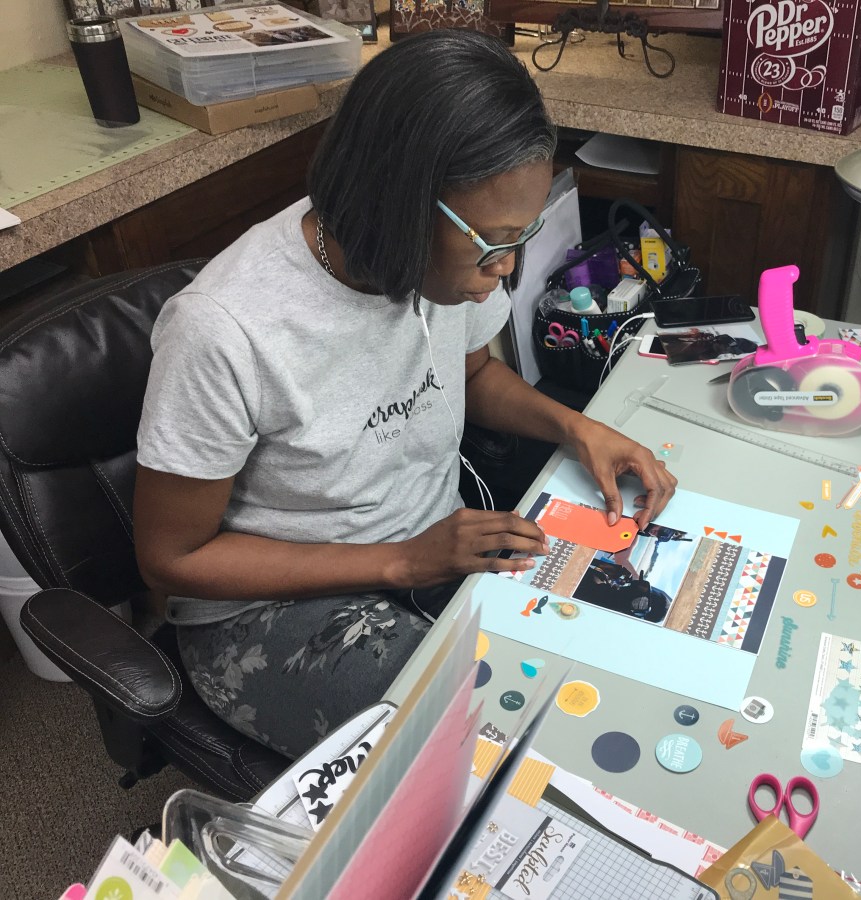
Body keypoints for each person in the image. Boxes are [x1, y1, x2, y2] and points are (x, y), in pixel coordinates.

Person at [132, 30, 676, 759]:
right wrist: (402, 561)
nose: (508, 269)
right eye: (494, 244)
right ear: (398, 205)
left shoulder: (445, 268)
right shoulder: (223, 330)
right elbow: (172, 558)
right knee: (490, 741)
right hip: (266, 608)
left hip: (433, 547)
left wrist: (579, 429)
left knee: (605, 662)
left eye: (521, 237)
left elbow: (473, 375)